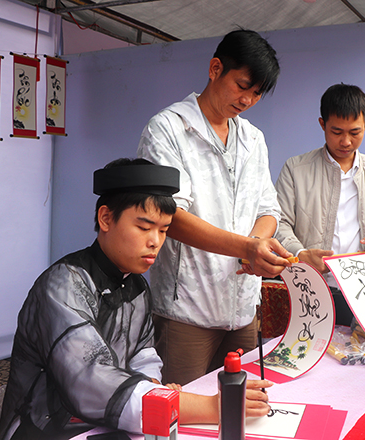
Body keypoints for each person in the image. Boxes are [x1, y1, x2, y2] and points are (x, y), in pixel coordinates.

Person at [0, 159, 272, 440]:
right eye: (144, 227)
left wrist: (153, 386)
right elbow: (91, 383)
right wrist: (211, 407)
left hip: (107, 421)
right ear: (106, 219)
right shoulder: (62, 286)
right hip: (46, 427)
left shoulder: (137, 284)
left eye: (164, 230)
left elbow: (142, 354)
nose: (155, 241)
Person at [137, 29, 292, 386]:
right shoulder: (169, 128)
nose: (248, 100)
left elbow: (269, 209)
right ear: (215, 68)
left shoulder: (252, 139)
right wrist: (247, 248)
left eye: (256, 94)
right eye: (242, 86)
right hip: (186, 311)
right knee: (185, 412)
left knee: (242, 409)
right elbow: (169, 217)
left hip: (241, 310)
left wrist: (255, 248)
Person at [275, 83, 365, 325]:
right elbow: (279, 222)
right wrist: (301, 254)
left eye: (355, 132)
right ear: (322, 124)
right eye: (336, 132)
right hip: (308, 289)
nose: (346, 141)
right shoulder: (295, 170)